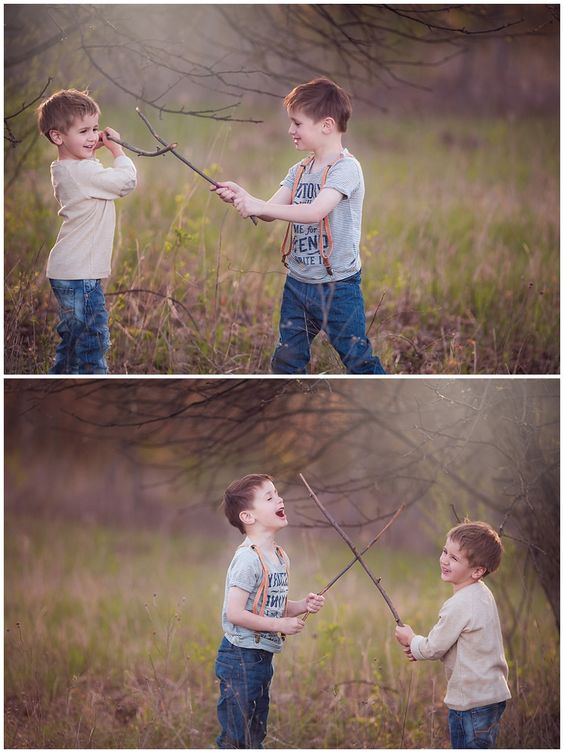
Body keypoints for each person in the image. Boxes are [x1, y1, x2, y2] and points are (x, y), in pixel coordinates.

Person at [212, 77, 386, 375]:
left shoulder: (346, 169)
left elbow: (316, 211)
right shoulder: (300, 169)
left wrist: (260, 206)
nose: (290, 130)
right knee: (287, 361)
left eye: (297, 123)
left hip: (337, 288)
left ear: (326, 125)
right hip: (298, 284)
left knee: (357, 359)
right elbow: (270, 211)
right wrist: (244, 197)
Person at [215, 473, 325, 748]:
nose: (280, 499)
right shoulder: (247, 559)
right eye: (269, 497)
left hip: (262, 658)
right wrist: (280, 626)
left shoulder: (278, 556)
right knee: (236, 736)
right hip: (239, 657)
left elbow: (269, 606)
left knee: (255, 731)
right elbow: (235, 613)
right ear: (248, 517)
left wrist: (300, 607)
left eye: (277, 494)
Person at [36, 88, 137, 374]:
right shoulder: (84, 173)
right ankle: (95, 385)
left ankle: (60, 384)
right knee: (92, 341)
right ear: (58, 137)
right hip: (80, 275)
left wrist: (89, 147)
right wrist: (117, 150)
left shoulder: (68, 168)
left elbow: (91, 170)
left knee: (72, 343)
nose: (93, 136)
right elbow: (126, 181)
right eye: (84, 131)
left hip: (71, 272)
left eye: (95, 128)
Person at [395, 521, 511, 749]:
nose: (444, 560)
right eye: (445, 551)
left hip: (471, 703)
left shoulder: (459, 604)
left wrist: (411, 640)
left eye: (455, 558)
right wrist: (417, 648)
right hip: (491, 696)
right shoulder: (483, 594)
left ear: (477, 571)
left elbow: (433, 647)